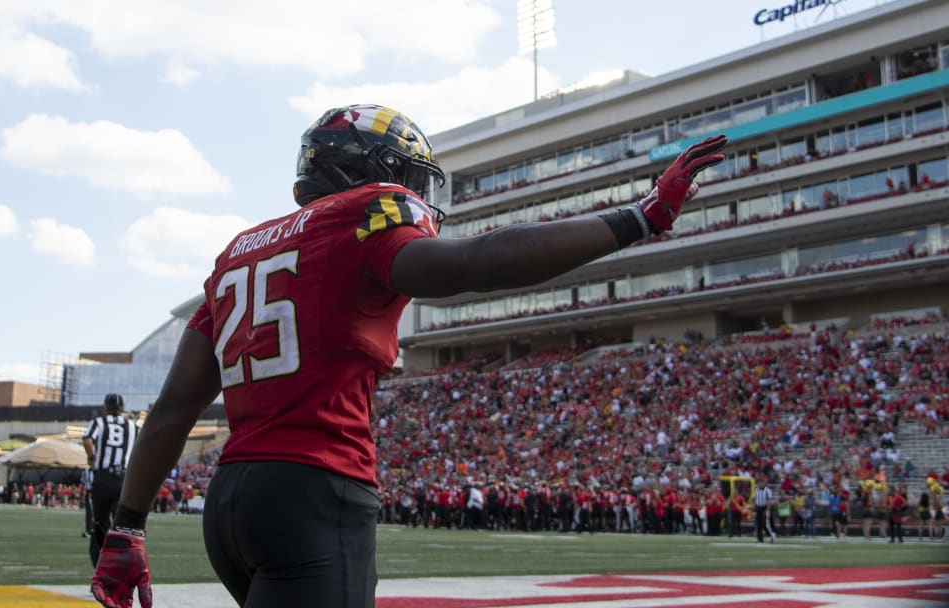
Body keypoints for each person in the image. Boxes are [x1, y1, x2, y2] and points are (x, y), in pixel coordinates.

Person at [89, 104, 727, 608]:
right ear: (362, 170)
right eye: (403, 172)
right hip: (314, 490)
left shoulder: (240, 250)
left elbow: (174, 408)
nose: (412, 191)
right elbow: (475, 262)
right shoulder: (364, 213)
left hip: (233, 503)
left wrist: (127, 525)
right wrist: (640, 219)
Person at [84, 393, 140, 569]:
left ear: (105, 407)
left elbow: (87, 439)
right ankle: (122, 567)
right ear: (122, 409)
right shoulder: (132, 426)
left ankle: (100, 570)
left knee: (100, 524)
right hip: (124, 480)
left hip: (103, 478)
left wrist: (92, 457)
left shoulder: (99, 422)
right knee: (123, 526)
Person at [753, 477, 776, 543]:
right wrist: (754, 509)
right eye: (758, 483)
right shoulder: (756, 490)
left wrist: (767, 510)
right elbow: (754, 499)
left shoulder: (767, 490)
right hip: (758, 508)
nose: (759, 484)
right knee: (758, 524)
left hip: (765, 508)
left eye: (761, 483)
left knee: (766, 524)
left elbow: (769, 501)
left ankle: (772, 536)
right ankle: (760, 539)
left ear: (764, 483)